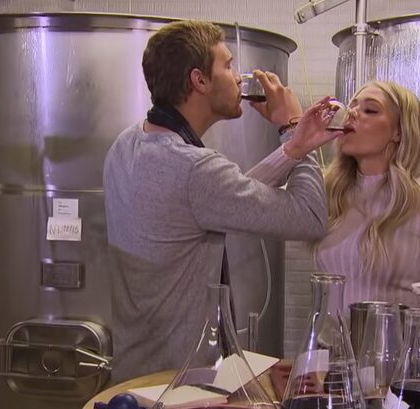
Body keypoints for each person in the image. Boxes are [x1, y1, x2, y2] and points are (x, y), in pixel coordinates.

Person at [104, 20, 339, 382]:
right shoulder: (195, 169)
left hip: (135, 373)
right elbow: (310, 217)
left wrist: (292, 149)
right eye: (228, 66)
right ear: (199, 80)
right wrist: (292, 125)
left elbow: (226, 197)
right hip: (180, 385)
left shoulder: (128, 143)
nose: (240, 78)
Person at [315, 80, 420, 331]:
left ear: (398, 132)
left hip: (396, 355)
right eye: (352, 106)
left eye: (370, 110)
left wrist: (416, 335)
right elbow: (247, 204)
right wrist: (294, 140)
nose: (351, 114)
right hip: (332, 353)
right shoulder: (327, 193)